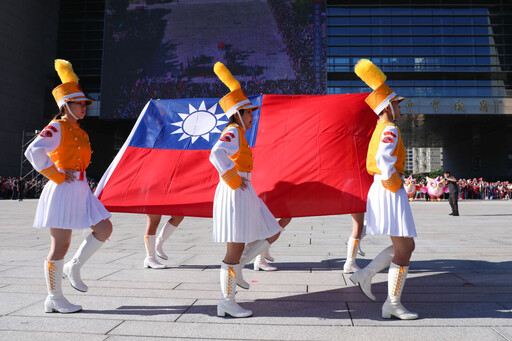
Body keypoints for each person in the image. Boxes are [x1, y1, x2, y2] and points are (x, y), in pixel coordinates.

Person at [25, 59, 113, 314]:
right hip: (63, 188)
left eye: (85, 104)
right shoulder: (57, 126)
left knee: (104, 228)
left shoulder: (80, 131)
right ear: (66, 105)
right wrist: (57, 175)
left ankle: (73, 267)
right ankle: (53, 298)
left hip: (82, 189)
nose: (83, 108)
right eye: (78, 103)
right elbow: (34, 151)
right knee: (60, 245)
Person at [210, 62, 282, 318]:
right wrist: (230, 177)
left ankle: (237, 271)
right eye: (250, 112)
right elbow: (215, 153)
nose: (254, 116)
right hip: (235, 190)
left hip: (242, 189)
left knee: (272, 229)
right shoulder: (233, 131)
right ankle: (226, 301)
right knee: (234, 248)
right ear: (239, 113)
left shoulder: (239, 132)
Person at [349, 59, 418, 320]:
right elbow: (383, 160)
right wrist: (394, 183)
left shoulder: (380, 128)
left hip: (382, 188)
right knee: (405, 247)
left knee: (405, 246)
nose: (400, 107)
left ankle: (365, 275)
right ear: (388, 106)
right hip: (389, 188)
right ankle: (392, 303)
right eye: (397, 103)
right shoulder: (390, 129)